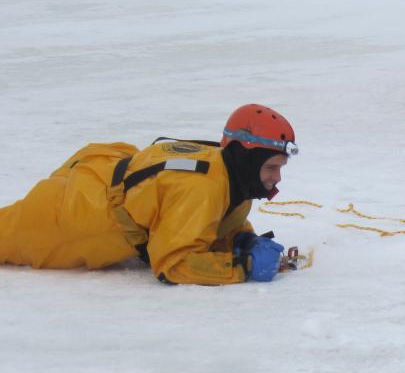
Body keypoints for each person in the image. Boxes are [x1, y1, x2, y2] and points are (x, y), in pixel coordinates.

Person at [0, 103, 296, 285]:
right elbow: (173, 264)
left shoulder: (232, 174)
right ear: (246, 159)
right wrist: (243, 266)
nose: (276, 178)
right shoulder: (203, 190)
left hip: (104, 164)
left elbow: (207, 219)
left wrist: (241, 237)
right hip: (80, 213)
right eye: (271, 167)